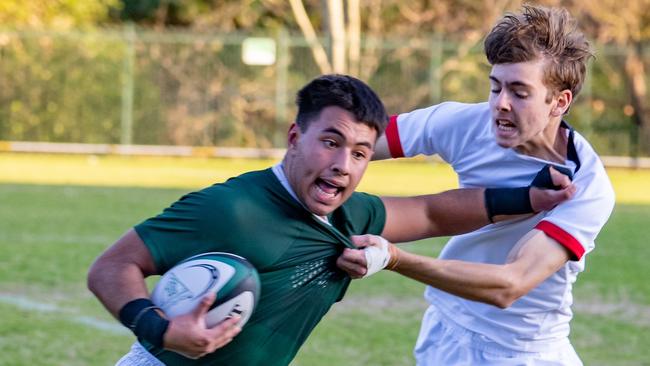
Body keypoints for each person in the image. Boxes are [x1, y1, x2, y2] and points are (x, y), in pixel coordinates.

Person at [87, 74, 572, 366]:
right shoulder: (229, 208)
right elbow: (111, 267)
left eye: (361, 152)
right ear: (295, 136)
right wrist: (159, 328)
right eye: (330, 142)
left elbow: (431, 210)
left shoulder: (348, 212)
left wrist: (528, 196)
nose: (344, 164)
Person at [337, 5, 615, 365]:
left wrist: (394, 258)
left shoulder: (586, 184)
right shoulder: (465, 123)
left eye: (519, 92)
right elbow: (357, 142)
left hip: (522, 352)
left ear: (559, 102)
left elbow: (510, 284)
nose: (500, 104)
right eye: (495, 86)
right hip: (446, 330)